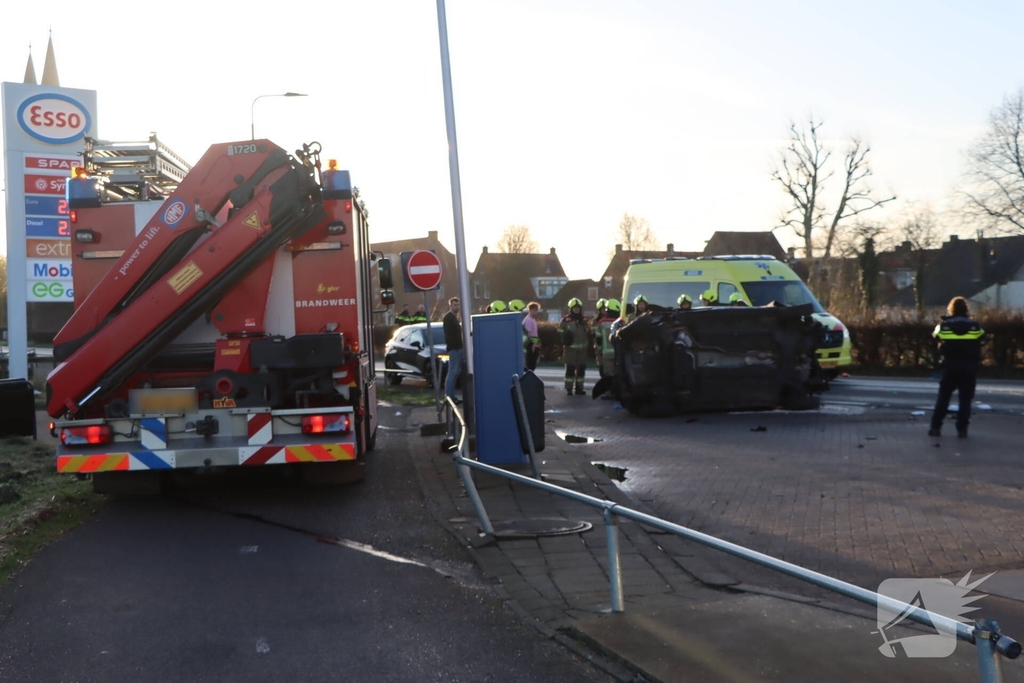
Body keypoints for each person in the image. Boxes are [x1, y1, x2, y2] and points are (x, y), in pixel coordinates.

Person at [928, 296, 985, 438]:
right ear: (966, 309)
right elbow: (983, 338)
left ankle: (936, 428)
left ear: (951, 309)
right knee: (965, 400)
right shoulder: (975, 326)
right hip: (969, 366)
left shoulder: (944, 326)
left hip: (950, 366)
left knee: (943, 398)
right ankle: (962, 430)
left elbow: (935, 336)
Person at [560, 297, 590, 395]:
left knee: (581, 370)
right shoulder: (565, 320)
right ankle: (569, 389)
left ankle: (579, 388)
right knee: (570, 369)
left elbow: (589, 332)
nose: (576, 309)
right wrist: (565, 338)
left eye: (578, 308)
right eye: (574, 308)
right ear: (571, 309)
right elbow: (560, 332)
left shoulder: (585, 319)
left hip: (582, 350)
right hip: (570, 350)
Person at [443, 297, 463, 401]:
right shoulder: (448, 318)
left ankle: (452, 395)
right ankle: (448, 395)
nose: (457, 307)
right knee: (452, 371)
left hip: (459, 348)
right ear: (450, 306)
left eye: (458, 305)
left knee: (456, 372)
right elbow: (449, 335)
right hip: (454, 348)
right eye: (455, 305)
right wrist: (455, 345)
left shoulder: (455, 318)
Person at [593, 298, 619, 378]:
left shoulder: (601, 323)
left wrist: (599, 351)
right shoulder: (621, 322)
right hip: (618, 354)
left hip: (606, 354)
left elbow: (598, 339)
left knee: (607, 376)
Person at [523, 301, 542, 371]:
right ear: (530, 310)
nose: (536, 312)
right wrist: (533, 345)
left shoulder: (533, 319)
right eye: (535, 310)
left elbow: (535, 334)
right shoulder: (528, 320)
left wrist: (538, 343)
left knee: (533, 365)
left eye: (537, 310)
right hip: (531, 346)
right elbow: (529, 334)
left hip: (535, 344)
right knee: (530, 365)